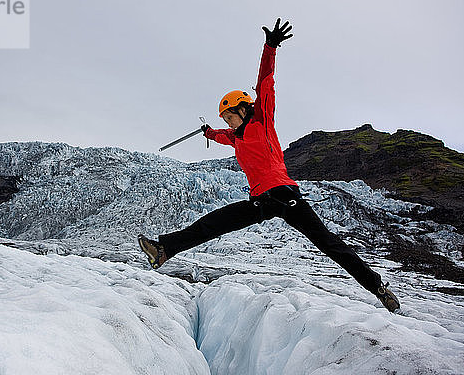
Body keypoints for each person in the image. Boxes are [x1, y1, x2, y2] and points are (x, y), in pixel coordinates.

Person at [138, 18, 400, 313]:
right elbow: (220, 135)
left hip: (285, 196)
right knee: (212, 224)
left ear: (243, 108)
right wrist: (209, 132)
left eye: (230, 116)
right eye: (225, 120)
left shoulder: (261, 119)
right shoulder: (236, 137)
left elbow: (265, 82)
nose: (228, 122)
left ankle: (377, 287)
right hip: (261, 201)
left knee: (329, 244)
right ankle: (164, 250)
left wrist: (270, 47)